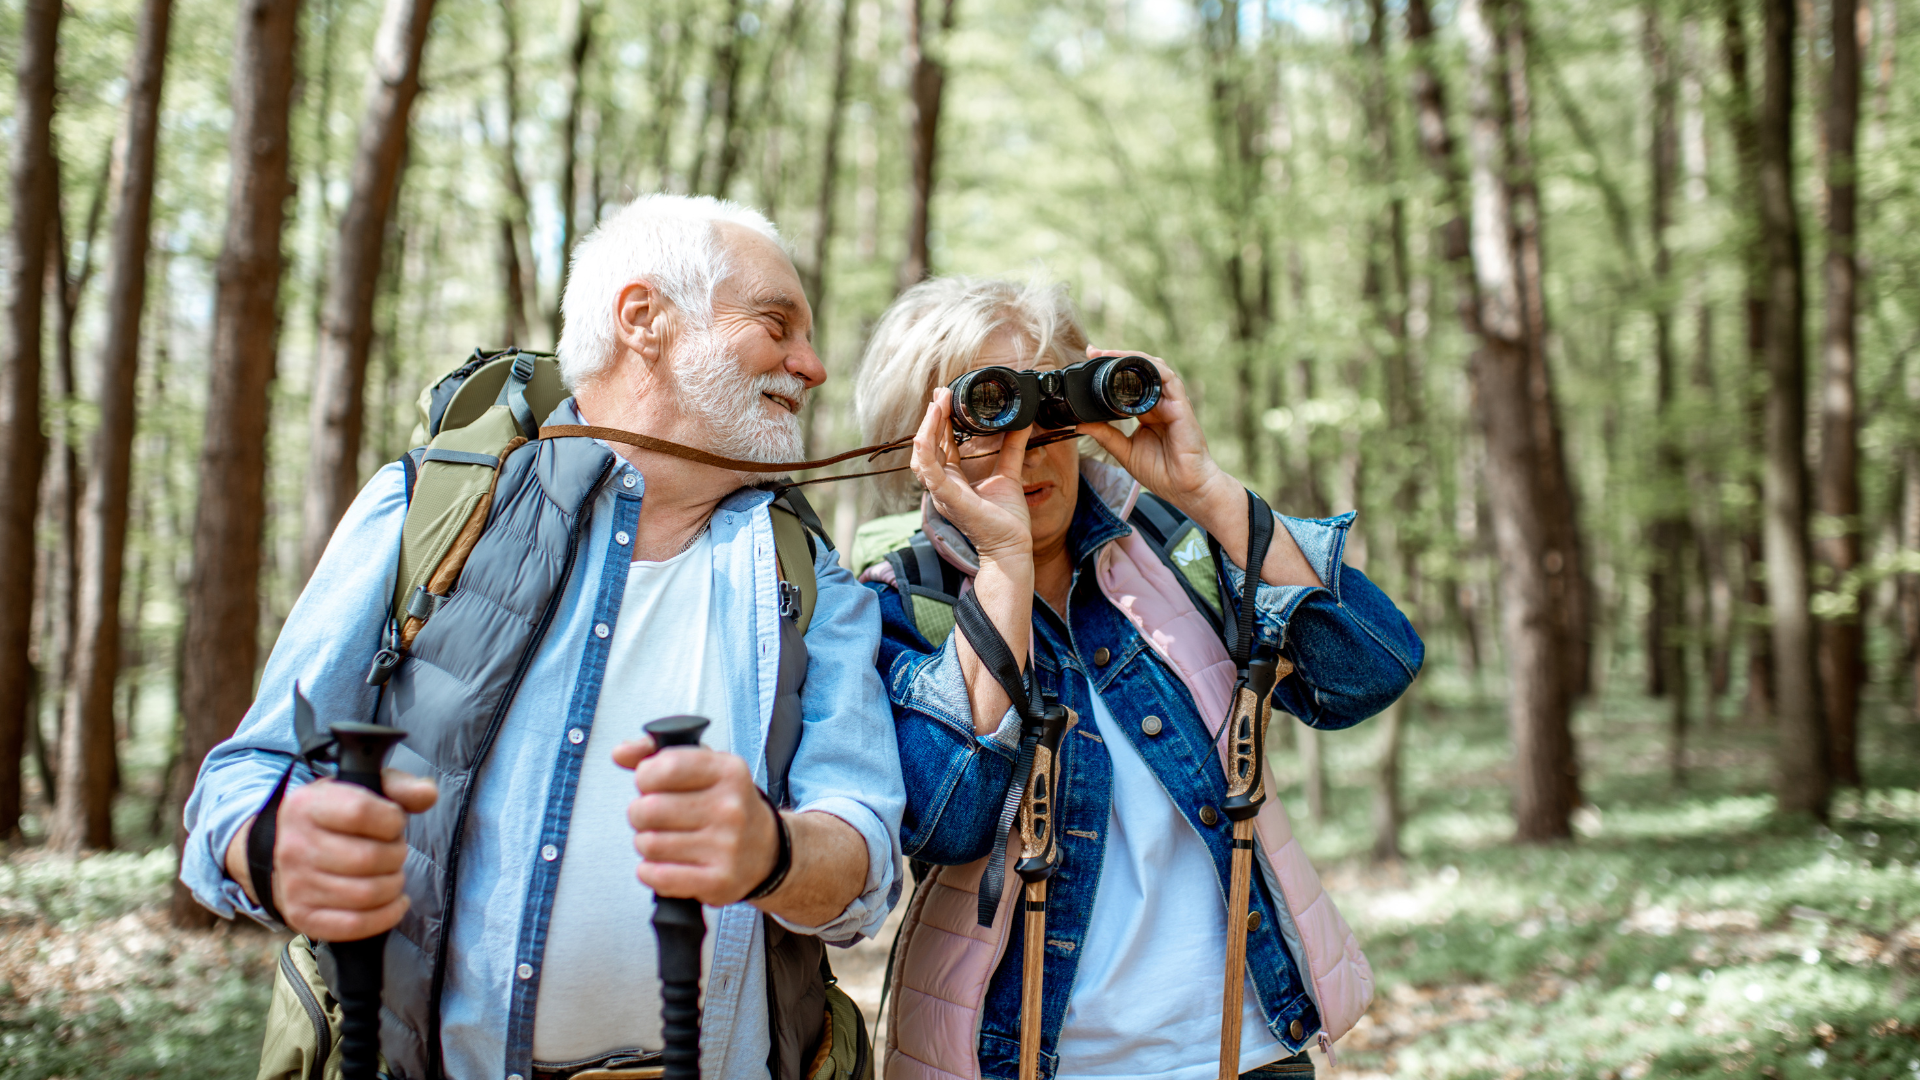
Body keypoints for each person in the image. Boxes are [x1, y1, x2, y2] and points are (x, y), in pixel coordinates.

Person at [182, 195, 905, 1080]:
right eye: (776, 323)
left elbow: (863, 862)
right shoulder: (430, 508)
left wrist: (773, 852)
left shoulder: (811, 576)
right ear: (644, 318)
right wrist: (277, 846)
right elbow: (238, 783)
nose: (814, 365)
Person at [850, 277, 1422, 1080]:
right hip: (1030, 1062)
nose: (1030, 447)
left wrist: (1206, 491)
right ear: (918, 445)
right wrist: (1004, 568)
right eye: (991, 411)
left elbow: (1367, 672)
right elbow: (949, 821)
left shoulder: (1172, 550)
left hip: (1245, 1051)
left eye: (1050, 409)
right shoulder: (898, 604)